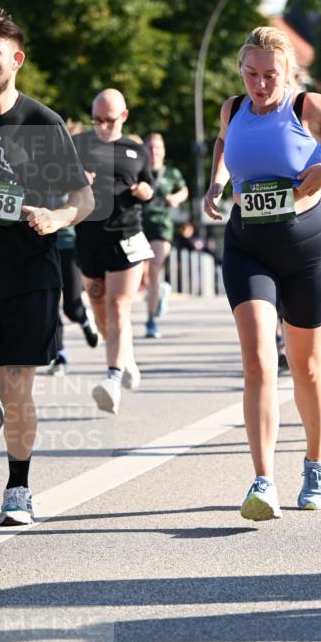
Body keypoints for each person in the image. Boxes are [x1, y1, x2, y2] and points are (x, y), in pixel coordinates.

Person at [204, 26, 321, 520]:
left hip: (307, 247)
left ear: (289, 73)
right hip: (248, 245)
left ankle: (315, 460)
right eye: (251, 74)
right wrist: (216, 185)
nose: (260, 85)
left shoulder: (308, 108)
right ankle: (262, 480)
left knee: (307, 367)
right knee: (258, 360)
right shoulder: (231, 108)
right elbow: (226, 145)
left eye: (270, 75)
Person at [0, 10, 93, 524]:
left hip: (29, 276)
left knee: (17, 386)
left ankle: (18, 488)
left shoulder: (42, 123)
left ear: (15, 60)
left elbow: (83, 197)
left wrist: (57, 215)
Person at [72, 89, 155, 414]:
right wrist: (76, 179)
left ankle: (112, 377)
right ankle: (124, 356)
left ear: (123, 116)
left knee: (118, 304)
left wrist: (146, 191)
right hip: (89, 239)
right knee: (98, 306)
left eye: (109, 120)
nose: (102, 126)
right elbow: (56, 184)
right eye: (96, 120)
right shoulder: (79, 146)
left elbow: (148, 186)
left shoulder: (136, 150)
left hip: (126, 236)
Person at [142, 133, 189, 338]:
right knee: (142, 275)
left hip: (161, 226)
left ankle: (151, 321)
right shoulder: (139, 171)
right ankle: (159, 291)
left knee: (153, 267)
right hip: (138, 225)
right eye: (150, 147)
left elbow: (184, 190)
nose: (154, 152)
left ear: (163, 151)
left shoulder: (171, 173)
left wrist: (175, 197)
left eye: (157, 148)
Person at [48, 223, 98, 375]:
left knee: (72, 308)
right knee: (49, 308)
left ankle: (85, 320)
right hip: (41, 250)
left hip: (69, 246)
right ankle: (60, 357)